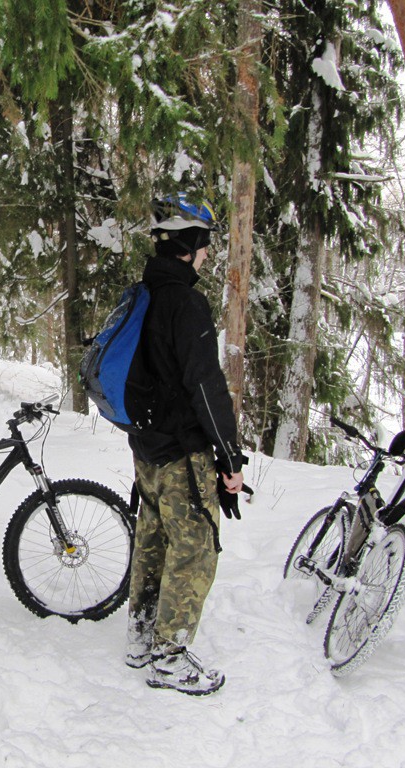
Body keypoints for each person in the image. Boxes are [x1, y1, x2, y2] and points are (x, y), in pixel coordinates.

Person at [125, 193, 245, 696]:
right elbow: (205, 386)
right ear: (189, 243)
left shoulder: (143, 294)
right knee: (195, 548)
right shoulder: (187, 304)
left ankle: (141, 636)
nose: (209, 253)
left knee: (154, 537)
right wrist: (230, 457)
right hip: (181, 454)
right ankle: (169, 657)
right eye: (205, 243)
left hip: (146, 448)